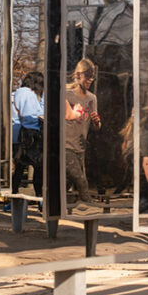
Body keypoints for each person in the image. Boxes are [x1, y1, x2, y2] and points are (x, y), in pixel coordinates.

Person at [65, 58, 101, 204]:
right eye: (88, 76)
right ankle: (90, 206)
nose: (90, 79)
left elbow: (97, 127)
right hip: (66, 146)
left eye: (92, 76)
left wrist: (96, 122)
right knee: (81, 180)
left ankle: (55, 207)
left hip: (80, 147)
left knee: (68, 181)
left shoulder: (92, 98)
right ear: (78, 75)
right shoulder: (66, 95)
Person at [12, 71, 44, 197]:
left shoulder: (15, 94)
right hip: (30, 137)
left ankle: (14, 195)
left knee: (19, 168)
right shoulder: (29, 94)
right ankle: (39, 197)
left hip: (18, 137)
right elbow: (30, 116)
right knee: (38, 166)